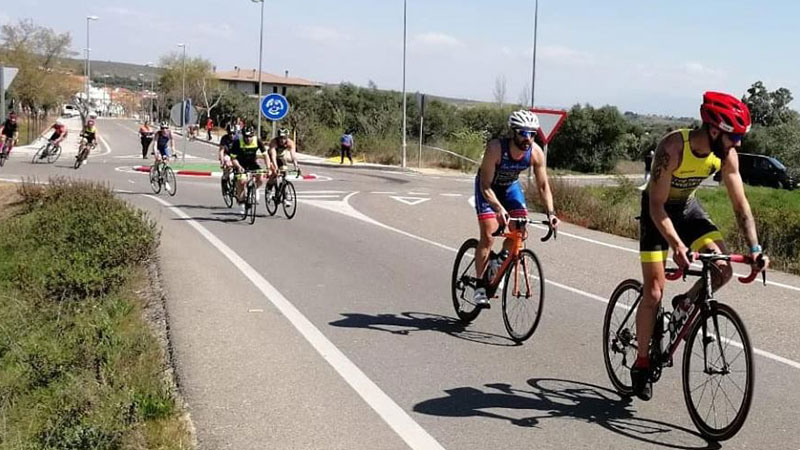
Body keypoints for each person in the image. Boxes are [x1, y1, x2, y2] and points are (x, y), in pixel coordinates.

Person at [631, 91, 770, 401]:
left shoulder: (726, 155)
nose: (738, 144)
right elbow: (656, 206)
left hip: (687, 209)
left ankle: (685, 303)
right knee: (653, 291)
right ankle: (641, 363)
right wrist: (677, 246)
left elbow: (740, 204)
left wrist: (756, 247)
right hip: (659, 212)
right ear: (715, 130)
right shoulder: (672, 148)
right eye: (734, 136)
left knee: (722, 269)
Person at [472, 110, 559, 307]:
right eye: (523, 133)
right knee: (488, 235)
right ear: (514, 132)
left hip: (510, 188)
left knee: (520, 230)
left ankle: (499, 260)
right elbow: (485, 185)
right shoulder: (496, 148)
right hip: (488, 189)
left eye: (532, 133)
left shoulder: (535, 152)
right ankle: (479, 286)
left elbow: (543, 186)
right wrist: (498, 208)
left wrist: (551, 214)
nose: (528, 138)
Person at [229, 126, 268, 210]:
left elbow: (265, 155)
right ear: (243, 136)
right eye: (246, 137)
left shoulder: (257, 141)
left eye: (250, 136)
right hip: (240, 163)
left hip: (252, 162)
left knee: (261, 178)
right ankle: (241, 202)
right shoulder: (237, 142)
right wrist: (238, 167)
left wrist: (268, 167)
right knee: (242, 182)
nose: (248, 139)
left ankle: (255, 189)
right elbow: (233, 158)